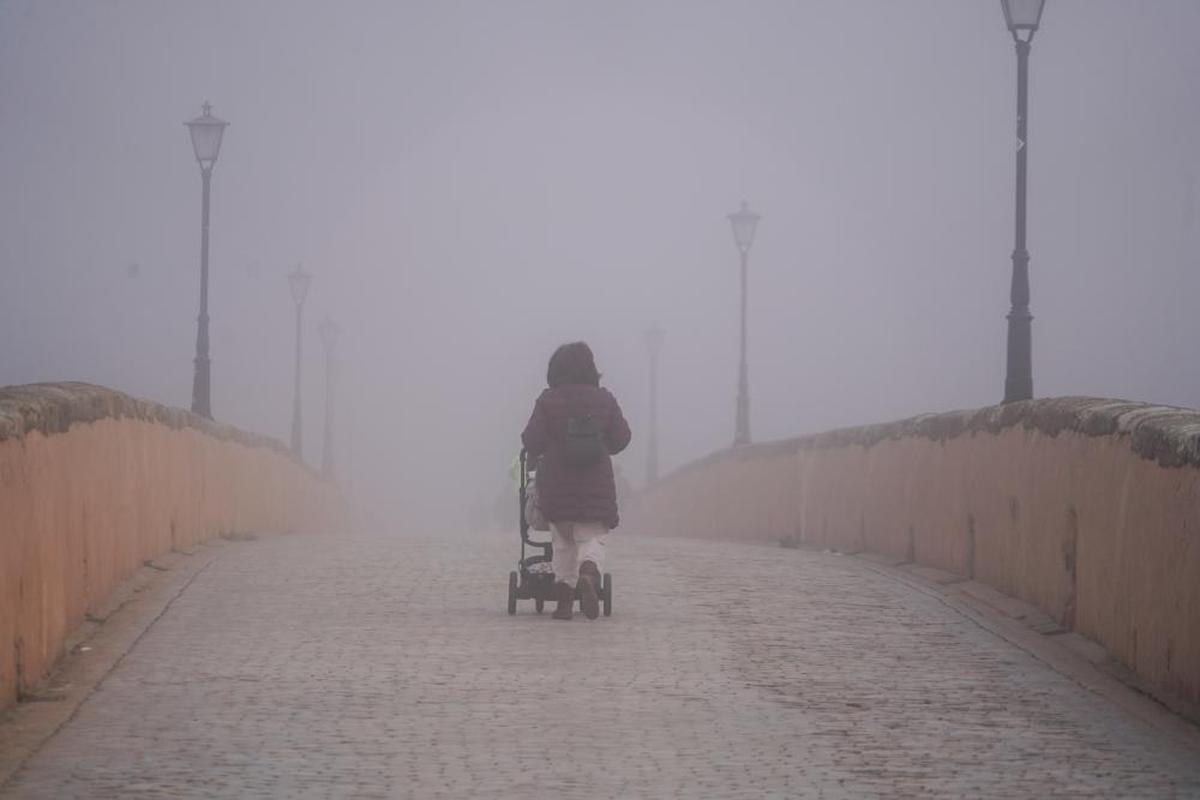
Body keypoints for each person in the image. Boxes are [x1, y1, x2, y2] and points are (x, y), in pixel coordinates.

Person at [521, 342, 631, 620]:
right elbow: (621, 438)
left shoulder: (548, 400)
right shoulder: (605, 399)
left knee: (563, 544)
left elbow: (531, 440)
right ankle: (589, 573)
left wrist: (551, 443)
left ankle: (564, 603)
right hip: (597, 486)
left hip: (557, 486)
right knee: (592, 538)